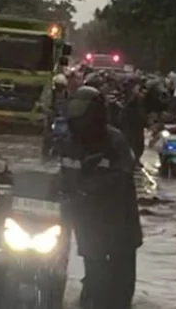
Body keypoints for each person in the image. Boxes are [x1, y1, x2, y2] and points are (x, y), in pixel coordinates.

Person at [60, 86, 143, 309]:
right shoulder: (70, 143)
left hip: (119, 227)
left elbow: (123, 176)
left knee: (120, 292)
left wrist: (90, 186)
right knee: (93, 284)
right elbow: (63, 177)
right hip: (88, 226)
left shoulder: (115, 142)